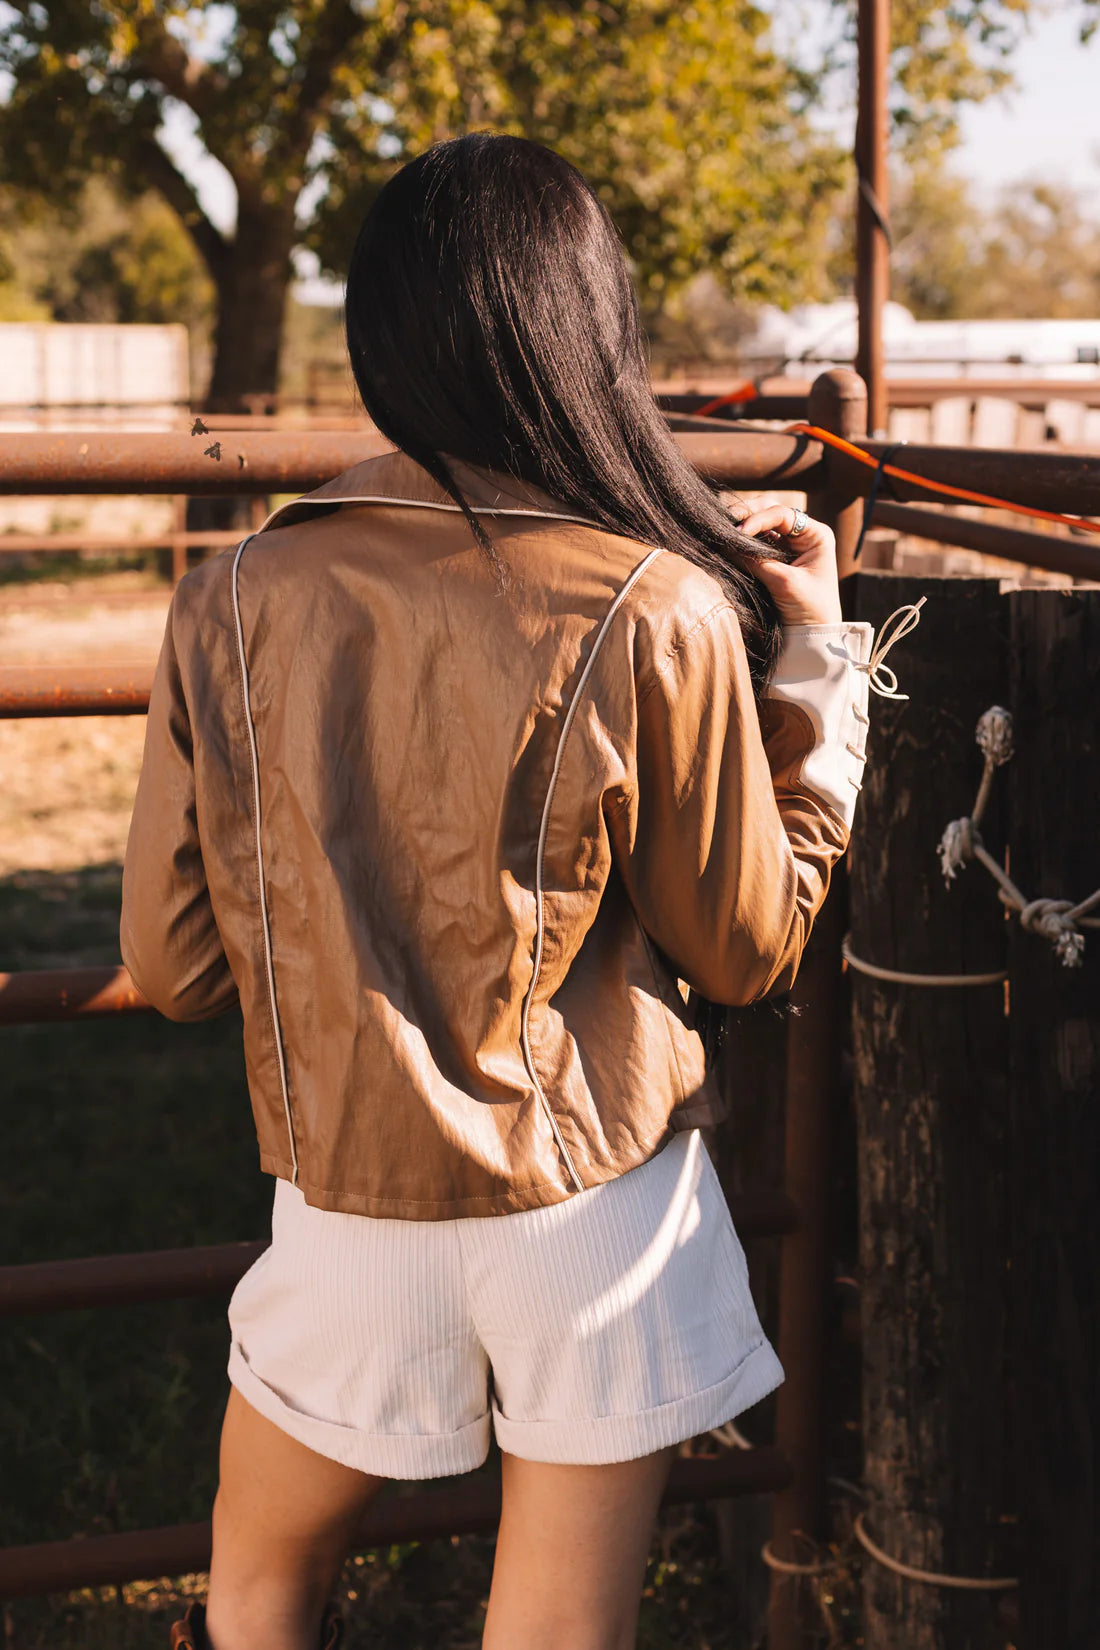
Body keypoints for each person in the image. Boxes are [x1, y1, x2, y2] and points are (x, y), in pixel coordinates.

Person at [121, 133, 913, 1650]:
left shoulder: (229, 593)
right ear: (583, 331)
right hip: (597, 1211)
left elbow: (170, 966)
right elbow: (744, 950)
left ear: (378, 335)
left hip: (349, 1206)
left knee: (256, 1583)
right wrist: (817, 668)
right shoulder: (661, 600)